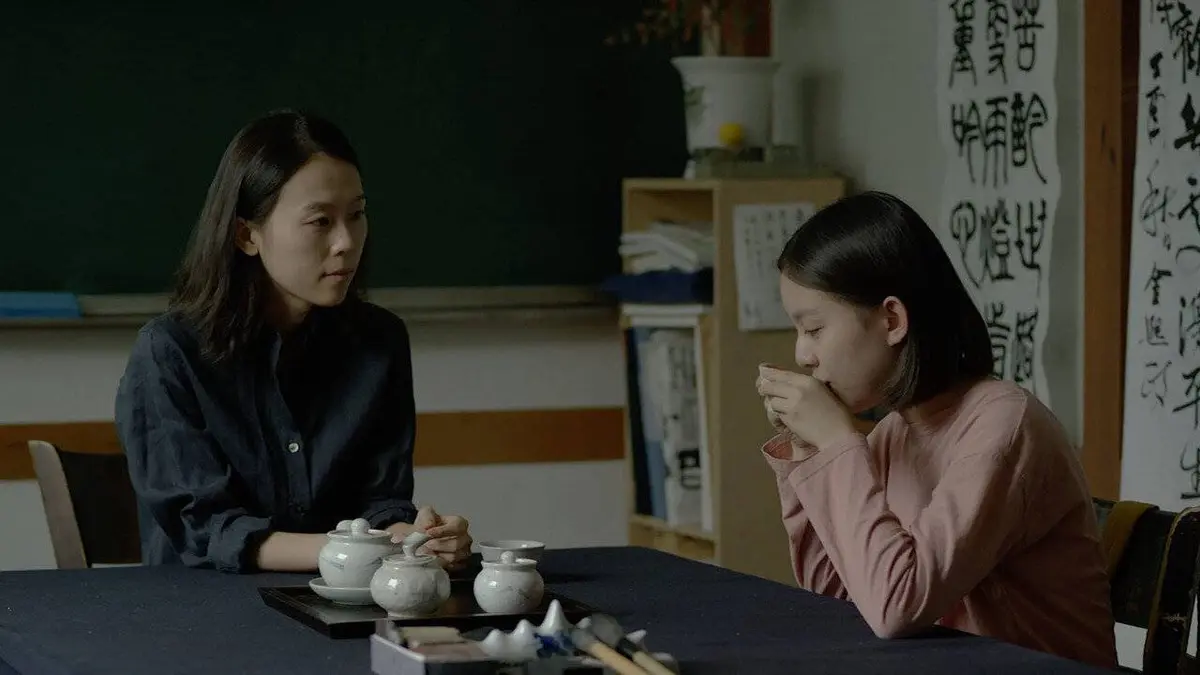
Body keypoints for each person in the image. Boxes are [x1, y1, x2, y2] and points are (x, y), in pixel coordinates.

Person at [754, 191, 1117, 668]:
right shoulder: (895, 432)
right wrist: (810, 450)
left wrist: (839, 443)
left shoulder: (1004, 426)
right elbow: (835, 595)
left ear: (891, 320)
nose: (803, 355)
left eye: (815, 329)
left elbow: (895, 606)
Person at [114, 110, 472, 574]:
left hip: (340, 597)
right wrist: (350, 550)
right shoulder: (170, 352)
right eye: (320, 221)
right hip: (200, 606)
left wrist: (415, 537)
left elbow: (381, 501)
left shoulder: (379, 343)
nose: (346, 242)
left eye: (357, 215)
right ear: (247, 235)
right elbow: (206, 530)